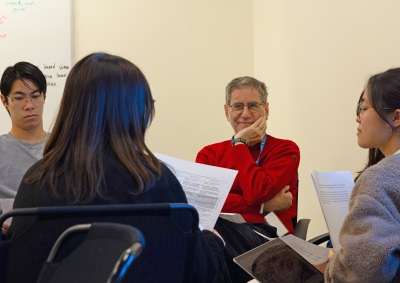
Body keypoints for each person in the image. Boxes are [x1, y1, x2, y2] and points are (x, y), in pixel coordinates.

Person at [5, 53, 228, 283]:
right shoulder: (156, 180)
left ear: (71, 108)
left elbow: (19, 270)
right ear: (135, 111)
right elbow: (197, 272)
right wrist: (213, 242)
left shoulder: (36, 181)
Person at [196, 76, 300, 282]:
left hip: (270, 237)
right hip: (222, 232)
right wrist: (263, 206)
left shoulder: (285, 149)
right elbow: (207, 203)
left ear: (266, 110)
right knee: (198, 234)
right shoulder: (208, 154)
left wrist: (240, 144)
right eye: (238, 106)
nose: (245, 114)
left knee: (211, 235)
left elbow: (257, 191)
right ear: (227, 111)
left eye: (253, 106)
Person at [324, 68, 400, 282]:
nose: (358, 118)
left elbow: (362, 271)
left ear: (396, 117)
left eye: (364, 108)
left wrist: (334, 266)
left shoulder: (380, 178)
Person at [0, 62, 48, 230]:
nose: (29, 105)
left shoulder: (63, 147)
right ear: (4, 101)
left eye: (35, 96)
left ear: (44, 96)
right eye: (19, 98)